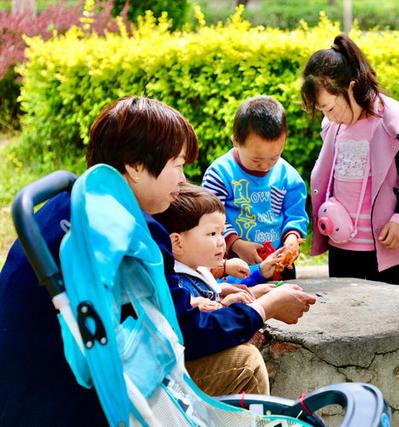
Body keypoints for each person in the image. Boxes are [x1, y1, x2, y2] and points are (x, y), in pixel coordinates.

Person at [0, 96, 316, 425]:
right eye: (177, 165)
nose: (182, 179)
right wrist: (266, 307)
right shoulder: (134, 233)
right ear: (136, 167)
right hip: (79, 401)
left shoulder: (67, 205)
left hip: (21, 392)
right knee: (244, 363)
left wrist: (210, 297)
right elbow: (186, 335)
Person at [303, 34, 399, 284]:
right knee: (343, 311)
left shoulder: (390, 118)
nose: (329, 116)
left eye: (330, 107)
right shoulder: (334, 126)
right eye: (323, 110)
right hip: (340, 241)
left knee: (380, 312)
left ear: (350, 86)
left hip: (382, 243)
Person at [202, 96, 308, 280]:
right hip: (236, 267)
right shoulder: (220, 174)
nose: (266, 166)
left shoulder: (287, 176)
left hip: (278, 263)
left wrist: (292, 238)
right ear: (236, 141)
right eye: (257, 159)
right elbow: (210, 219)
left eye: (274, 157)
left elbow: (295, 214)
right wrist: (235, 244)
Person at [154, 182, 280, 313]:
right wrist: (225, 306)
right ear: (177, 243)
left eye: (222, 233)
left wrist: (221, 291)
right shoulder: (180, 285)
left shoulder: (196, 268)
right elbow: (204, 326)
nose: (221, 241)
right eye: (212, 233)